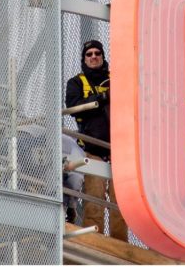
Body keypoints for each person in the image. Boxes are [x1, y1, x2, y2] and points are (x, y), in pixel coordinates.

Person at [65, 40, 128, 241]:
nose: (94, 57)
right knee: (94, 201)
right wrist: (103, 98)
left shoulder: (117, 79)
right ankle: (95, 243)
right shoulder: (76, 83)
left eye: (97, 53)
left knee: (122, 204)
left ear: (103, 56)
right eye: (89, 54)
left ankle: (120, 249)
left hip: (121, 152)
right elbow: (74, 104)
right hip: (93, 151)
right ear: (84, 58)